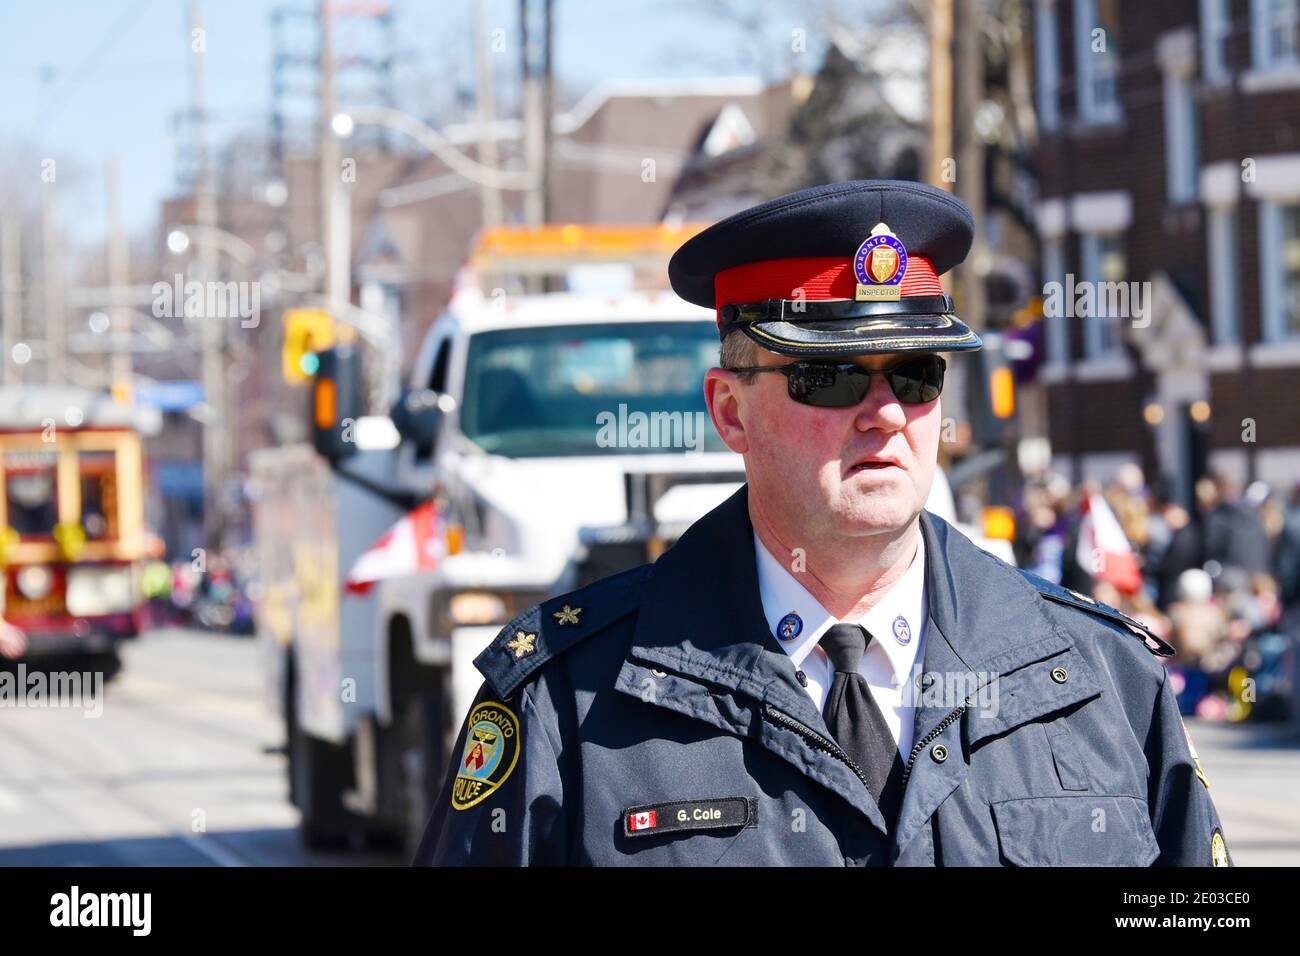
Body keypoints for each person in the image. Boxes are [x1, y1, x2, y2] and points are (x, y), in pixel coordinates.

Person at [414, 180, 1230, 867]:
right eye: (831, 377)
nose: (885, 414)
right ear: (730, 412)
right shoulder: (565, 701)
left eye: (914, 375)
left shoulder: (1099, 678)